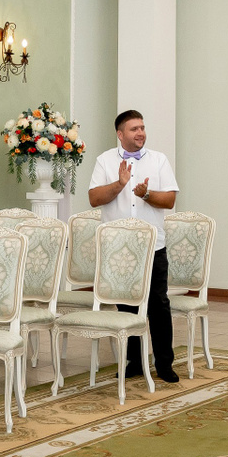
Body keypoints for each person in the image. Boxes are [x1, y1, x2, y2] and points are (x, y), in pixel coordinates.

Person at [86, 110, 179, 383]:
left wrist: (146, 194)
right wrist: (120, 184)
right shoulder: (104, 160)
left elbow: (170, 200)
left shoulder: (159, 160)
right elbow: (94, 198)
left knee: (158, 306)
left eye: (142, 128)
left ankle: (164, 364)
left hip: (153, 247)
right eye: (134, 129)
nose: (140, 133)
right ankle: (135, 362)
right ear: (120, 134)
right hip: (118, 251)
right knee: (126, 307)